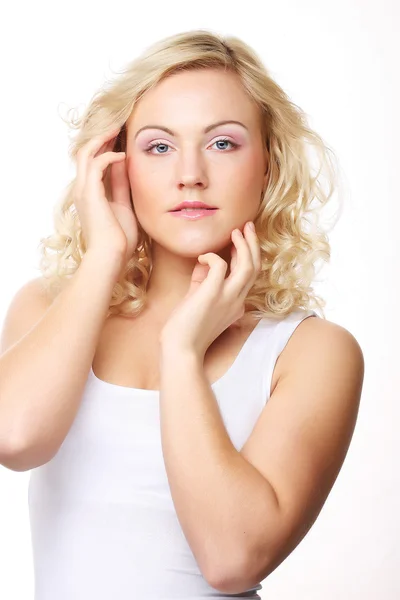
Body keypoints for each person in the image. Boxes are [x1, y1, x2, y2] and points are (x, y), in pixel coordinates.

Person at [0, 29, 364, 599]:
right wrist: (104, 256)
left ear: (268, 163)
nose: (189, 173)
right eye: (159, 146)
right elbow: (15, 438)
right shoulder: (49, 306)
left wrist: (183, 352)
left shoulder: (311, 351)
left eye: (222, 143)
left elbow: (232, 559)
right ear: (117, 165)